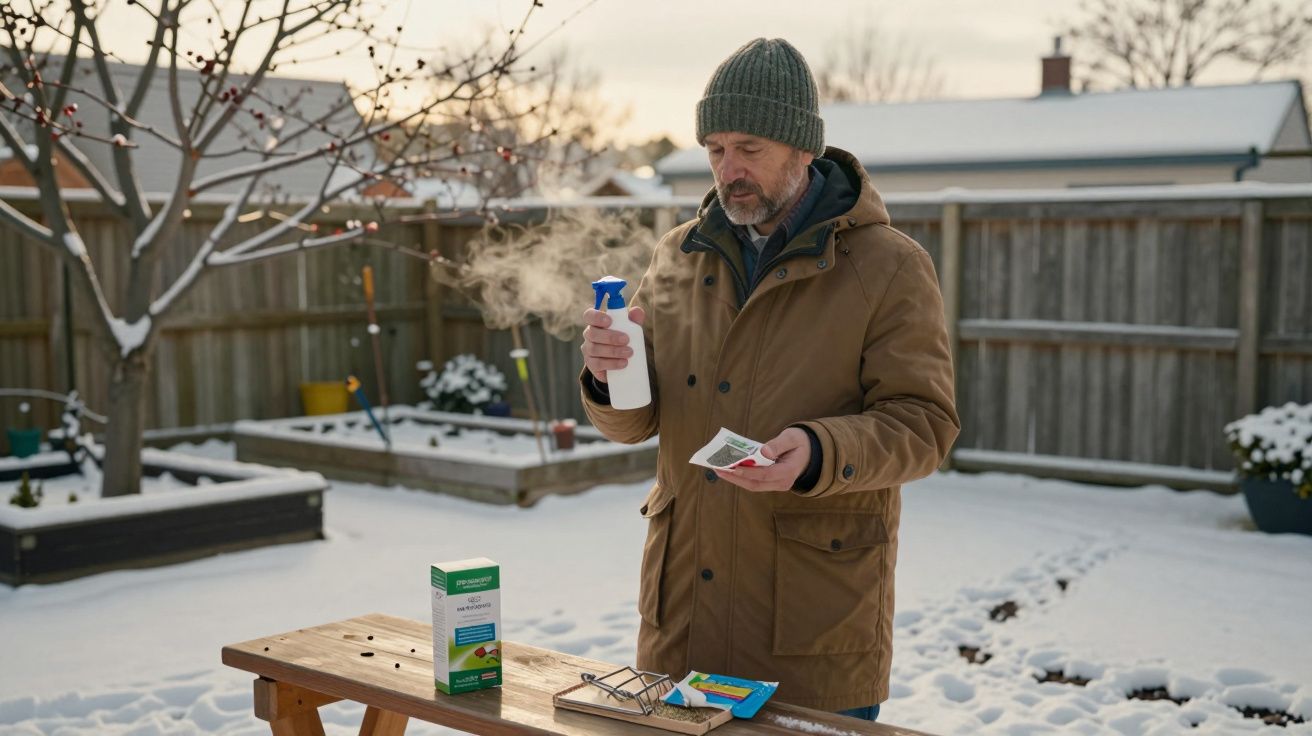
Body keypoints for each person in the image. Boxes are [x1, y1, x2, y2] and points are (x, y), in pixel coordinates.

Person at [578, 38, 960, 721]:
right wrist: (610, 378)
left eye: (749, 147)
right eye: (716, 149)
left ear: (802, 148)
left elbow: (925, 427)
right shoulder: (678, 255)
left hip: (810, 639)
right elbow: (635, 422)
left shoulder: (890, 268)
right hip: (681, 631)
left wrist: (817, 452)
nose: (730, 170)